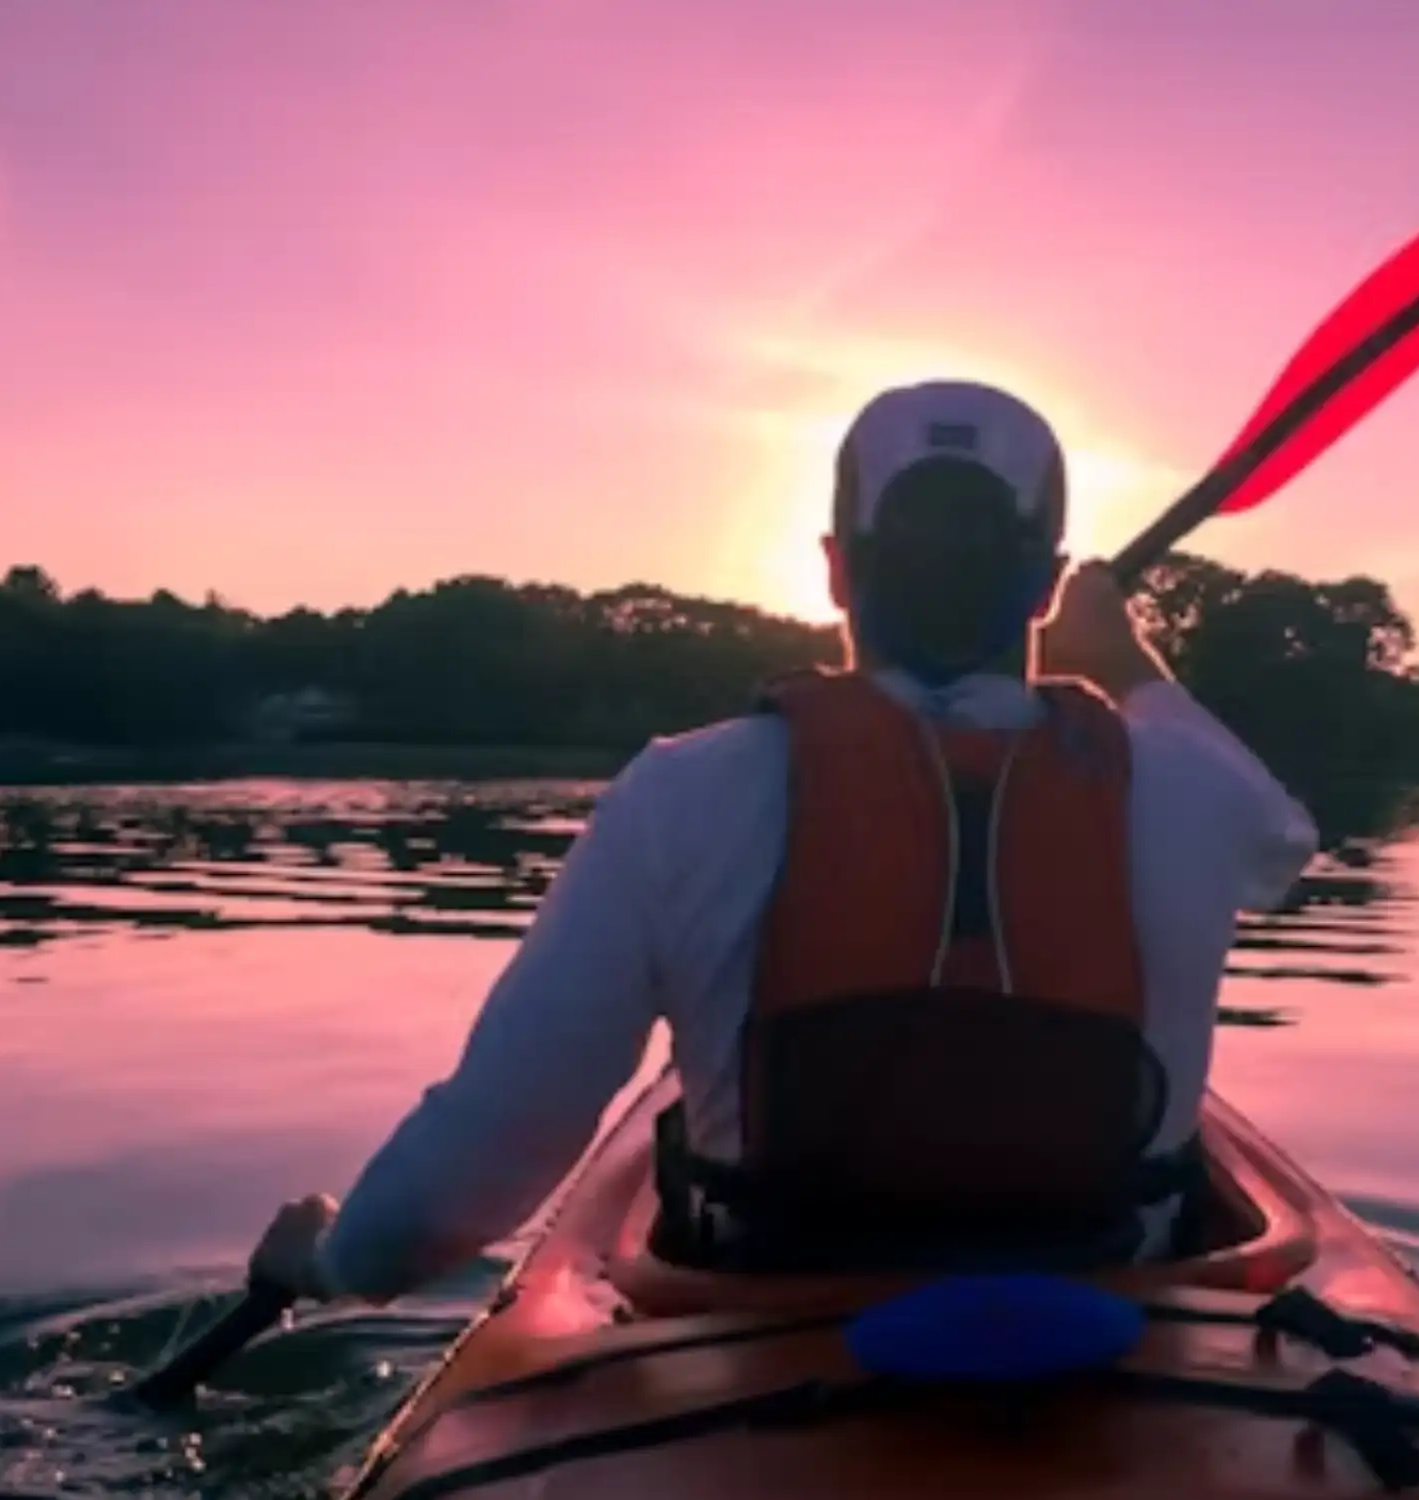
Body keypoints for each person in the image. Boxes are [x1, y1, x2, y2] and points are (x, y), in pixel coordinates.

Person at [249, 378, 1320, 1300]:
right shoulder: (1192, 792)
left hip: (765, 1316)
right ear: (1044, 583)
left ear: (835, 569)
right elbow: (1284, 839)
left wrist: (333, 1263)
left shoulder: (680, 793)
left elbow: (475, 1169)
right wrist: (1127, 661)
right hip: (1116, 1317)